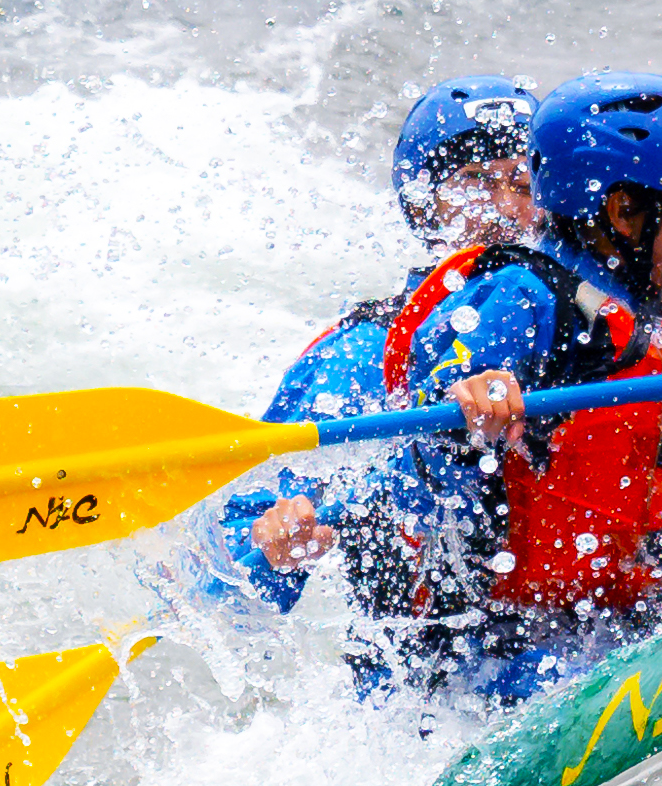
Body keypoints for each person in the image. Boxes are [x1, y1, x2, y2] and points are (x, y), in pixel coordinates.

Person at [379, 70, 662, 694]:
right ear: (625, 212)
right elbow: (442, 393)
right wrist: (475, 390)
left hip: (641, 623)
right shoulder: (521, 295)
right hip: (506, 644)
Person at [218, 74, 539, 608]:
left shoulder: (600, 317)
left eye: (524, 185)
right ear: (424, 208)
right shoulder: (361, 353)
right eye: (477, 183)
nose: (505, 208)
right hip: (434, 667)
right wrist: (269, 541)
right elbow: (233, 563)